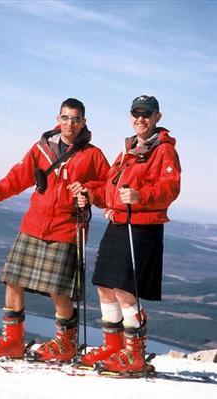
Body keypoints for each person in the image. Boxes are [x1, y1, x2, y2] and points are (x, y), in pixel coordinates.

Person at [0, 98, 110, 361]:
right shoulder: (42, 148)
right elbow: (18, 177)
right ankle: (13, 341)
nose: (70, 123)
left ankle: (65, 344)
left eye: (75, 119)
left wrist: (90, 193)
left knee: (58, 289)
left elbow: (109, 188)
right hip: (34, 224)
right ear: (58, 118)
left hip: (66, 227)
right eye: (65, 117)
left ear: (83, 122)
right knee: (13, 279)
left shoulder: (93, 155)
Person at [79, 95, 181, 374]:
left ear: (157, 117)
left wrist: (140, 196)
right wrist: (92, 194)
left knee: (125, 290)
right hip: (119, 223)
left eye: (146, 113)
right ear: (130, 116)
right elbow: (112, 189)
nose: (141, 118)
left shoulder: (164, 150)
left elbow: (170, 188)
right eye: (136, 113)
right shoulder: (128, 150)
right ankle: (113, 346)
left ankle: (134, 353)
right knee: (104, 284)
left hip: (143, 226)